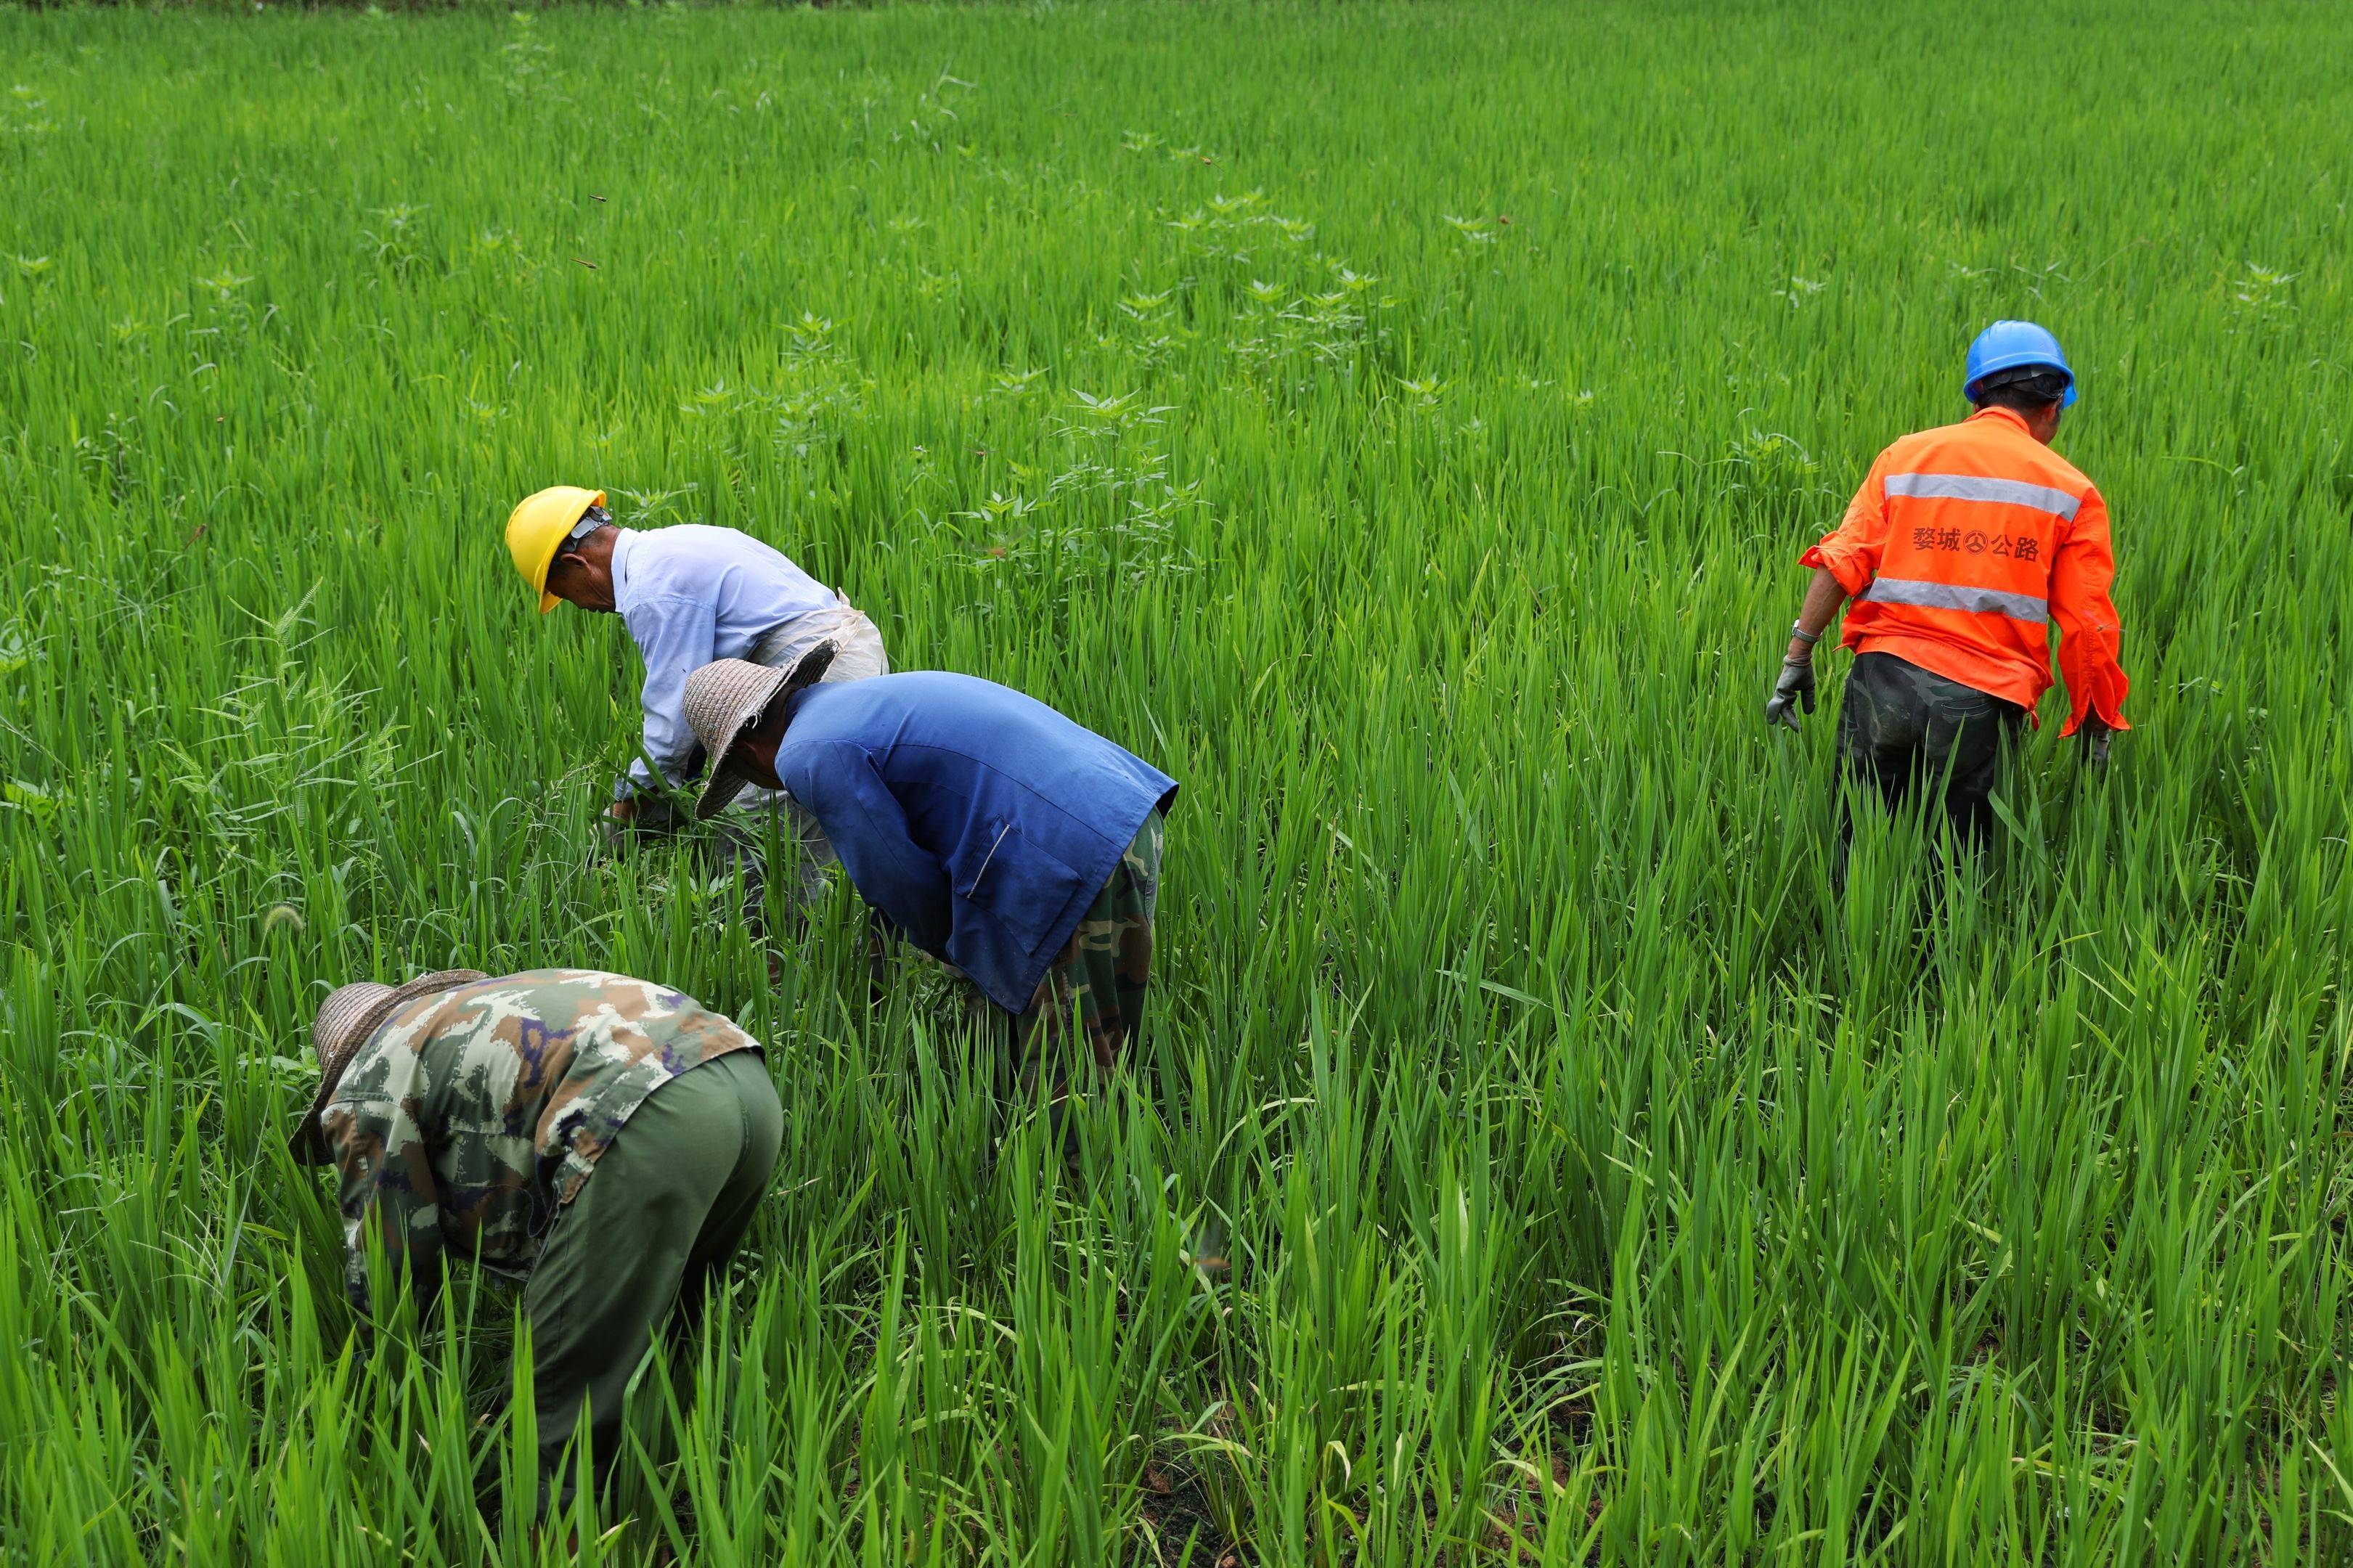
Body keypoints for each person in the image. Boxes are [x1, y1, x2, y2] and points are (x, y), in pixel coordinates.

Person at [288, 966, 780, 1513]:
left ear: (338, 1067)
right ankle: (672, 1492)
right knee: (664, 1333)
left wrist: (369, 1405)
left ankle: (561, 1538)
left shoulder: (372, 1074)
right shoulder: (469, 1012)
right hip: (742, 1078)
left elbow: (389, 1266)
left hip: (645, 1112)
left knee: (559, 1406)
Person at [680, 649, 1177, 1084]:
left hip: (1065, 852)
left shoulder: (807, 754)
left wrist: (946, 951)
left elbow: (896, 878)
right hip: (1125, 815)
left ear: (744, 752)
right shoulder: (860, 704)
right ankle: (1064, 1153)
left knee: (1067, 1064)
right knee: (1100, 1033)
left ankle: (1072, 1180)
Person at [1765, 320, 2130, 872]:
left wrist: (1798, 655)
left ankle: (1846, 949)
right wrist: (2095, 721)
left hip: (1880, 681)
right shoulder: (2071, 492)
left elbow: (1843, 558)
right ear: (2053, 405)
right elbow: (2088, 628)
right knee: (1954, 876)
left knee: (1855, 856)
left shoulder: (1906, 457)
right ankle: (1943, 958)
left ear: (1977, 394)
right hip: (1979, 703)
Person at [502, 486, 888, 876]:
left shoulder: (652, 590)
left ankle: (777, 936)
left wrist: (625, 811)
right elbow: (706, 704)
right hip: (835, 661)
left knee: (751, 834)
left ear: (576, 564)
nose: (583, 607)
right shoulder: (670, 547)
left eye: (566, 596)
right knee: (780, 835)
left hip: (819, 674)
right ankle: (805, 929)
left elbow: (672, 727)